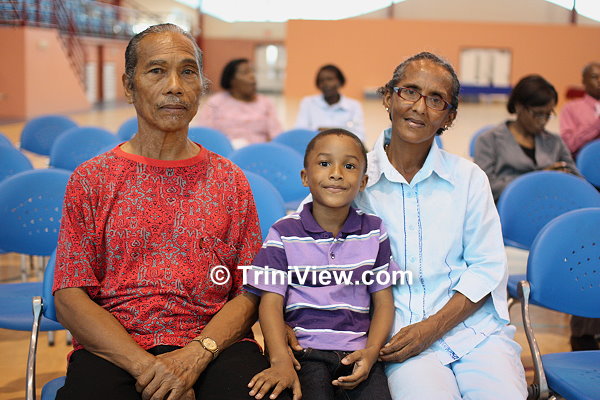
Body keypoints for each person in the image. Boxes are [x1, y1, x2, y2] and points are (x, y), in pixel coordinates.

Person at [52, 24, 284, 400]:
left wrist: (195, 356)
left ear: (201, 87)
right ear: (129, 86)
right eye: (157, 71)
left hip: (213, 342)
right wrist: (152, 370)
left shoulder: (230, 180)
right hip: (115, 343)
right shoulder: (92, 179)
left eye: (188, 72)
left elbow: (249, 291)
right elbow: (69, 295)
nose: (175, 86)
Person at [348, 52, 526, 399]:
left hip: (475, 332)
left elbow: (487, 267)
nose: (419, 107)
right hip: (399, 340)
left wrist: (432, 327)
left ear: (450, 116)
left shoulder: (468, 178)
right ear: (388, 97)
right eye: (409, 92)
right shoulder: (355, 177)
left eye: (435, 100)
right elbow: (304, 240)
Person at [245, 129, 395, 400]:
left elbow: (383, 301)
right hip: (304, 354)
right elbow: (270, 302)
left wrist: (373, 350)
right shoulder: (283, 232)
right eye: (325, 163)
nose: (336, 173)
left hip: (358, 353)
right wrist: (279, 359)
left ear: (363, 181)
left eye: (349, 166)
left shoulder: (375, 231)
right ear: (305, 177)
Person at [474, 74, 579, 202]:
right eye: (538, 114)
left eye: (548, 115)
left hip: (552, 204)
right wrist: (538, 179)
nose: (543, 121)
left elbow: (579, 182)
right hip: (509, 207)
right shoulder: (489, 140)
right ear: (518, 106)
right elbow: (485, 187)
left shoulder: (555, 142)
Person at [196, 58, 283, 147]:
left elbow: (276, 136)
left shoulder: (265, 103)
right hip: (225, 152)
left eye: (253, 71)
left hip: (257, 152)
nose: (252, 76)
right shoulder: (216, 102)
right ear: (231, 80)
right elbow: (206, 135)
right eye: (245, 72)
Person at [295, 65, 366, 141]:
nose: (325, 84)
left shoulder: (353, 106)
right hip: (315, 147)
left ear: (339, 82)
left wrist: (325, 132)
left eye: (329, 79)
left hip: (343, 147)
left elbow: (360, 136)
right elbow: (300, 132)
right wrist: (339, 133)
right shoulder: (308, 103)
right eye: (321, 81)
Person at [560, 62, 600, 157]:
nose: (599, 80)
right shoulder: (570, 108)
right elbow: (568, 145)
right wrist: (596, 125)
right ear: (584, 81)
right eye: (594, 77)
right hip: (584, 161)